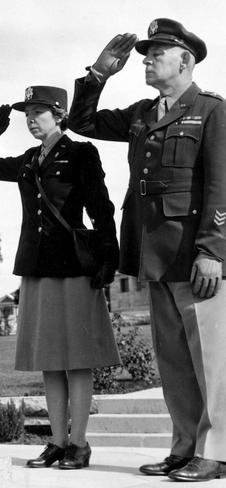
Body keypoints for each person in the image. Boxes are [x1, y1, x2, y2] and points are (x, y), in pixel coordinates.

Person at [68, 18, 226, 482]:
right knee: (174, 360)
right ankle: (184, 447)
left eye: (158, 53)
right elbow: (82, 121)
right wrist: (97, 76)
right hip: (153, 255)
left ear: (186, 60)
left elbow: (221, 188)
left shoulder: (212, 111)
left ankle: (215, 450)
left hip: (196, 257)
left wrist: (213, 250)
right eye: (145, 54)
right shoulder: (142, 112)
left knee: (212, 361)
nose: (147, 60)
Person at [0, 86, 120, 469]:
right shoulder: (28, 159)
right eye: (27, 113)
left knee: (77, 359)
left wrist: (109, 255)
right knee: (50, 360)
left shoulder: (80, 153)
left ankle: (79, 444)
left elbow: (100, 207)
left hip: (73, 267)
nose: (30, 119)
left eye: (38, 112)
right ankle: (56, 442)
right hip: (37, 268)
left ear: (59, 115)